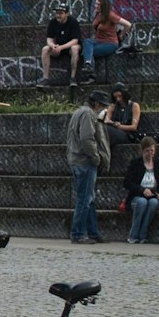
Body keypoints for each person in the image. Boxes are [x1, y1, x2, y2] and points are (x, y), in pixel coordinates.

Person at [66, 90, 112, 245]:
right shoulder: (88, 114)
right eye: (102, 106)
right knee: (84, 199)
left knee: (88, 198)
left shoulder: (79, 111)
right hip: (84, 161)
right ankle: (78, 233)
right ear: (97, 104)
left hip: (77, 159)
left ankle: (93, 232)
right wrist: (95, 157)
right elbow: (87, 139)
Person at [121, 137, 159, 246]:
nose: (150, 153)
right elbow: (127, 182)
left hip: (154, 196)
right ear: (142, 151)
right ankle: (134, 235)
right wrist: (142, 190)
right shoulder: (135, 163)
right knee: (142, 202)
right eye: (147, 151)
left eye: (152, 151)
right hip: (138, 196)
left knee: (153, 203)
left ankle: (143, 234)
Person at [81, 0, 132, 82]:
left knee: (88, 52)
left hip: (110, 43)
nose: (96, 6)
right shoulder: (97, 14)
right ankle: (88, 65)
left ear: (104, 6)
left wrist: (121, 35)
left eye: (98, 4)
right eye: (95, 4)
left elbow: (128, 24)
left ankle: (91, 75)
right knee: (87, 42)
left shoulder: (110, 15)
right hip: (99, 41)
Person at [41, 5, 82, 86]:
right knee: (45, 49)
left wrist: (61, 47)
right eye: (57, 13)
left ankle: (73, 78)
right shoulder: (52, 22)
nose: (58, 15)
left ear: (67, 14)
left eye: (61, 13)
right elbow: (49, 39)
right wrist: (53, 46)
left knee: (74, 48)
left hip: (70, 47)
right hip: (58, 47)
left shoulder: (73, 22)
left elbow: (75, 40)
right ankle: (46, 78)